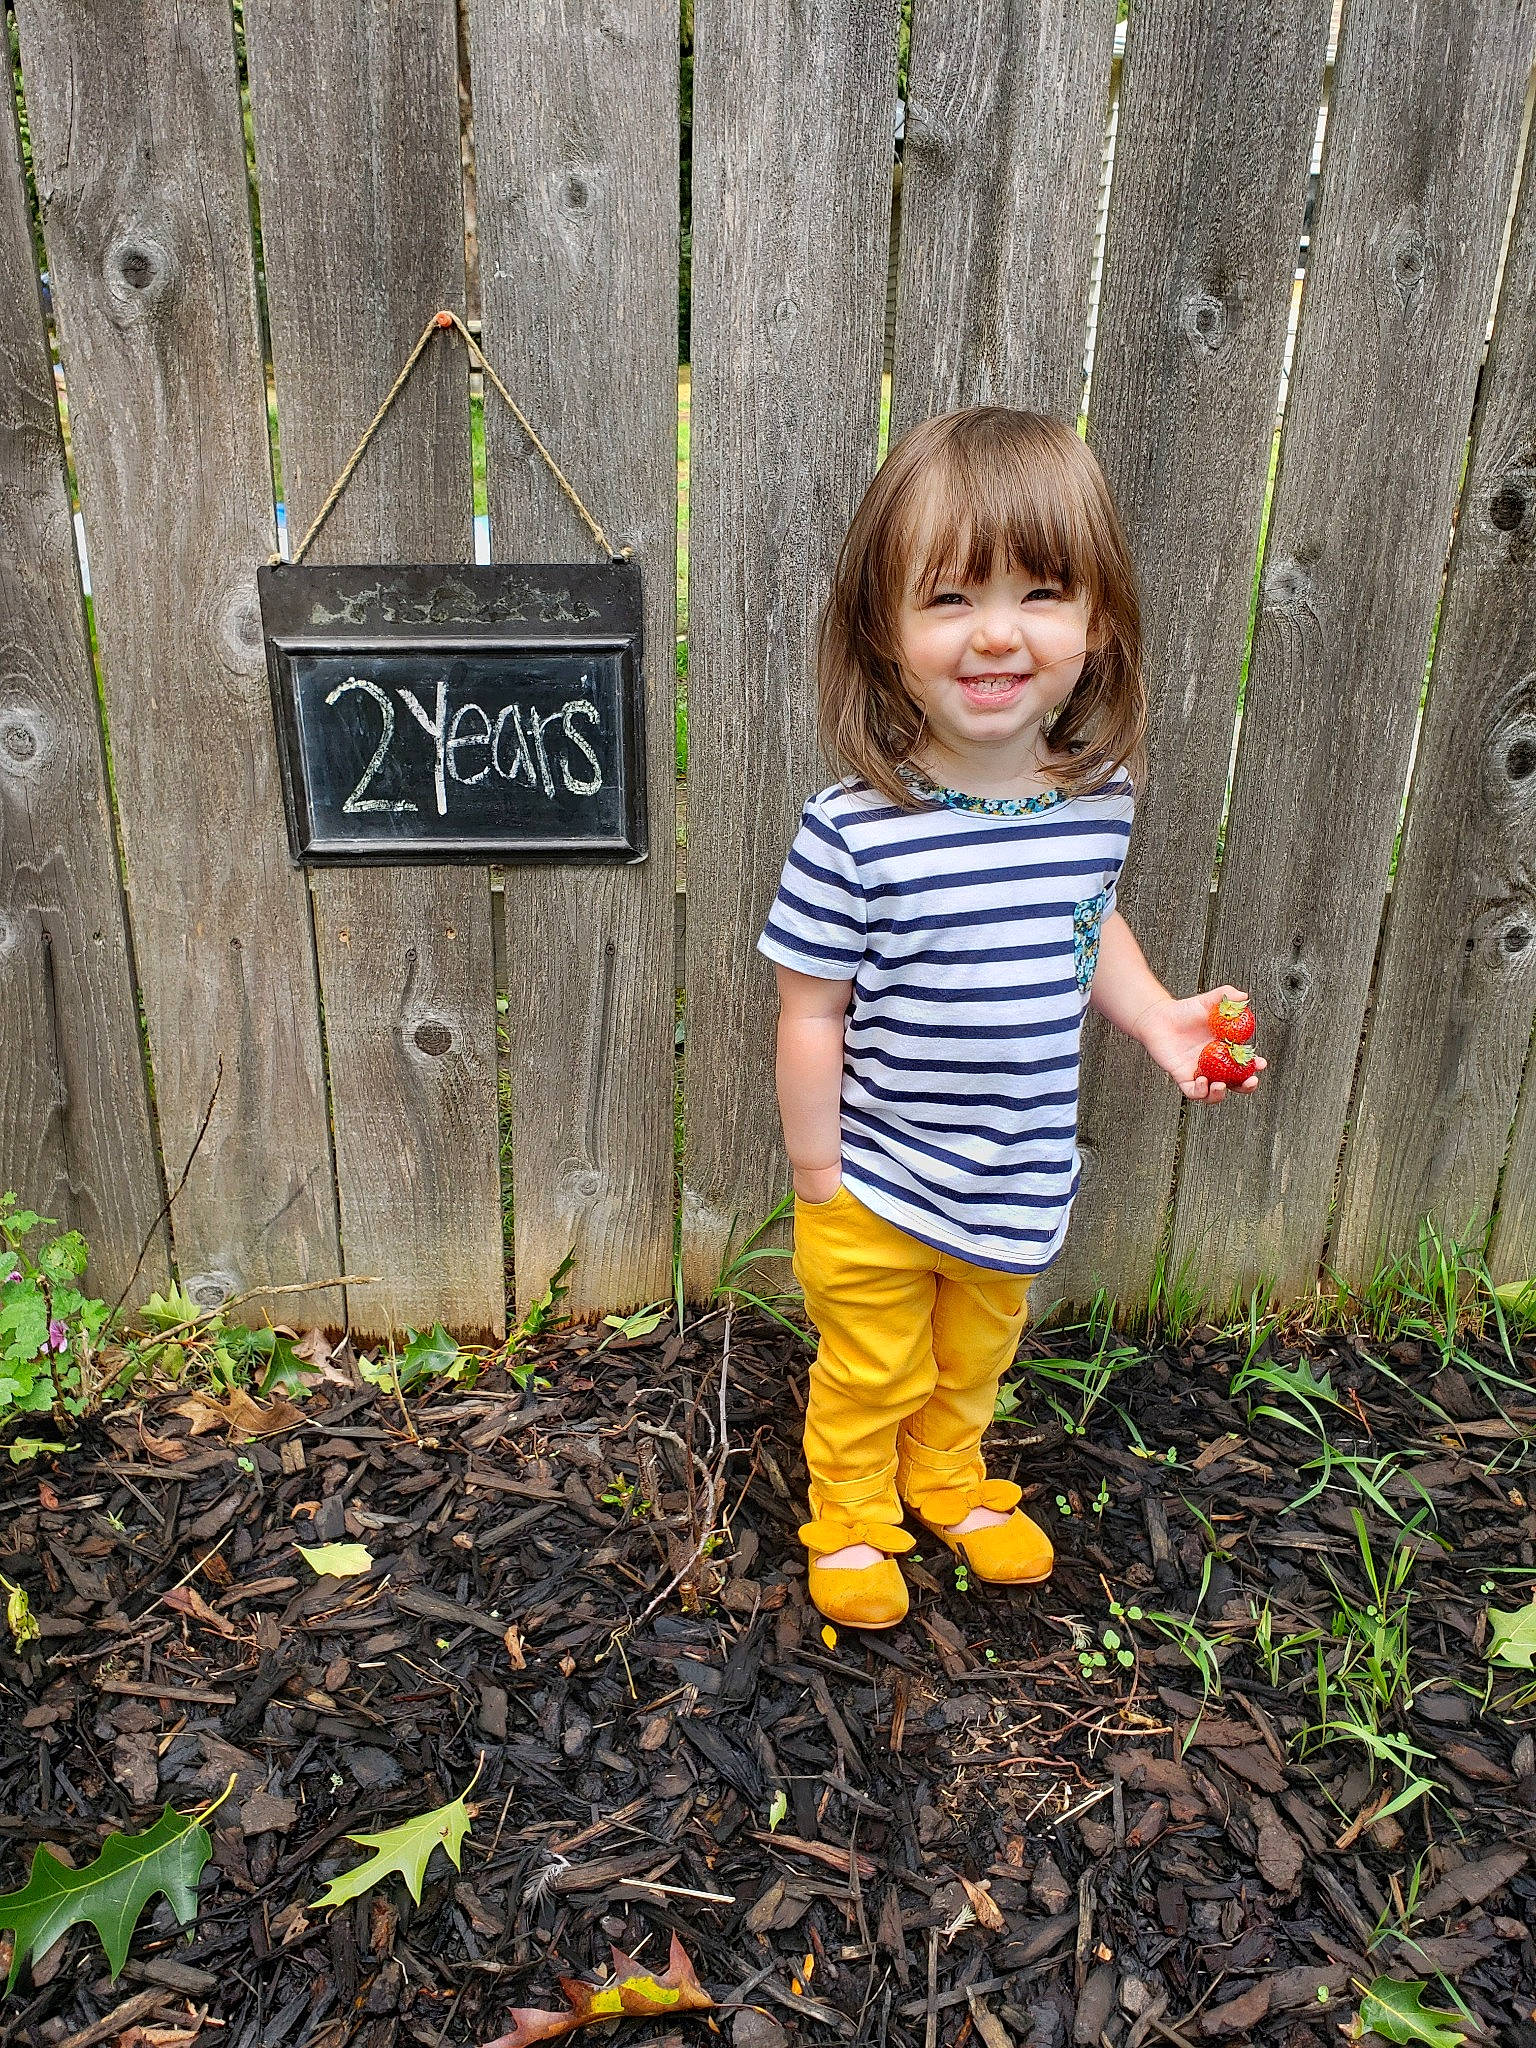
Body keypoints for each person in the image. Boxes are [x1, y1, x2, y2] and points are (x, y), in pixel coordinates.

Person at [756, 407, 1267, 1630]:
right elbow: (808, 1008)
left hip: (1016, 1176)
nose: (996, 631)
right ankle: (852, 1514)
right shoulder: (854, 828)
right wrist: (816, 1168)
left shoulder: (1097, 804)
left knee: (973, 1357)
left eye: (1041, 590)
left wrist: (1155, 1018)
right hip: (875, 1183)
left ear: (1097, 626)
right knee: (872, 1365)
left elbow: (1088, 925)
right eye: (948, 598)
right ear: (885, 630)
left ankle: (947, 1480)